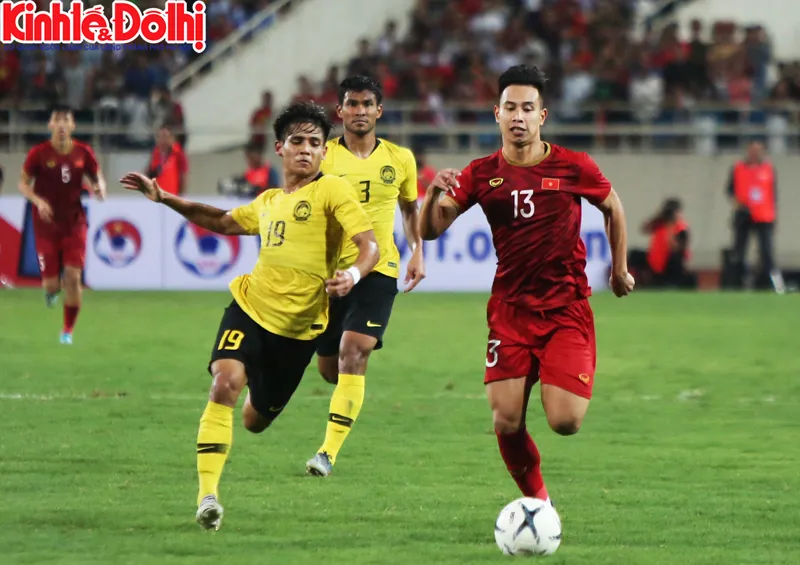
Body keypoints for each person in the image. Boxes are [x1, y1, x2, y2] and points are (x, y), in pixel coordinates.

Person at [119, 102, 379, 531]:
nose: (306, 149)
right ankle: (207, 498)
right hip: (250, 308)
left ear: (324, 152)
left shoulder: (333, 191)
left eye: (315, 143)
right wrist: (165, 198)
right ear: (280, 148)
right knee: (224, 383)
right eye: (297, 141)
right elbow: (222, 221)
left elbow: (369, 245)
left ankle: (257, 396)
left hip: (297, 333)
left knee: (254, 421)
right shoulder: (268, 201)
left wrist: (352, 274)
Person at [419, 65, 634, 505]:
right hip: (510, 312)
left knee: (565, 421)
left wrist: (619, 270)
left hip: (565, 309)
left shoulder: (573, 165)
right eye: (511, 108)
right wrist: (431, 196)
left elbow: (612, 206)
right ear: (496, 114)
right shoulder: (482, 174)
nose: (519, 116)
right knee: (506, 420)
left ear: (542, 116)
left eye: (528, 108)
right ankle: (539, 505)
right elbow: (431, 231)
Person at [305, 76, 425, 477]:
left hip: (378, 269)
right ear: (339, 111)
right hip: (331, 274)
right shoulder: (322, 157)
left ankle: (326, 453)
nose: (360, 111)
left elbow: (409, 209)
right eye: (352, 104)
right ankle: (347, 389)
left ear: (379, 110)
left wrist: (417, 250)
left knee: (354, 351)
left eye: (367, 104)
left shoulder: (400, 159)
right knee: (330, 369)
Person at [18, 104, 107, 344]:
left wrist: (100, 188)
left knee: (73, 277)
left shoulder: (83, 153)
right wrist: (38, 201)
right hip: (46, 225)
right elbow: (23, 184)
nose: (61, 125)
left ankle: (67, 330)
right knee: (50, 284)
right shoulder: (38, 154)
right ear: (50, 125)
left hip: (74, 223)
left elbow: (97, 176)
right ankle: (51, 292)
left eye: (66, 120)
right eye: (57, 120)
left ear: (72, 126)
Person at [727, 140, 784, 292]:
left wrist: (773, 216)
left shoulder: (768, 169)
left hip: (763, 216)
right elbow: (730, 190)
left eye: (758, 150)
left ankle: (775, 285)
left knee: (767, 253)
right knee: (739, 252)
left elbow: (773, 194)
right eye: (752, 150)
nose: (755, 153)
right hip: (743, 214)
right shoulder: (738, 168)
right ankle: (736, 284)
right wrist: (739, 204)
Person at [642, 198, 694, 288]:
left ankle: (672, 283)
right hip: (656, 260)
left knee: (675, 258)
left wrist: (671, 228)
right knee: (635, 255)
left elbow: (676, 248)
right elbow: (644, 229)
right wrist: (658, 217)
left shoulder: (681, 228)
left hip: (672, 263)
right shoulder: (659, 224)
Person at [147, 124, 188, 196]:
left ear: (172, 138)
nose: (163, 140)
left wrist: (181, 194)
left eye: (165, 137)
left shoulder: (177, 153)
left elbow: (183, 175)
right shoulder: (156, 153)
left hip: (172, 195)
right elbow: (150, 172)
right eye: (160, 137)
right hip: (157, 195)